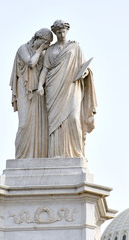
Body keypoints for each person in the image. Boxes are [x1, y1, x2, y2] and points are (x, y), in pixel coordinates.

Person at [37, 20, 97, 158]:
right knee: (55, 124)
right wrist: (40, 85)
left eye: (63, 31)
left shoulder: (75, 47)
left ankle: (77, 153)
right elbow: (45, 70)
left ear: (67, 30)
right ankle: (55, 154)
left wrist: (85, 73)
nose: (61, 34)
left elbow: (84, 67)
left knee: (74, 119)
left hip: (72, 86)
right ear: (55, 33)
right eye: (58, 32)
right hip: (53, 87)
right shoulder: (50, 50)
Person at [9, 28, 53, 158]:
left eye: (49, 44)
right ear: (38, 38)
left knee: (39, 126)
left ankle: (37, 156)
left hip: (38, 91)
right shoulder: (23, 49)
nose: (47, 46)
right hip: (25, 88)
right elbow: (30, 63)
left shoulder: (44, 54)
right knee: (24, 124)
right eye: (46, 42)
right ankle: (20, 157)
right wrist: (39, 50)